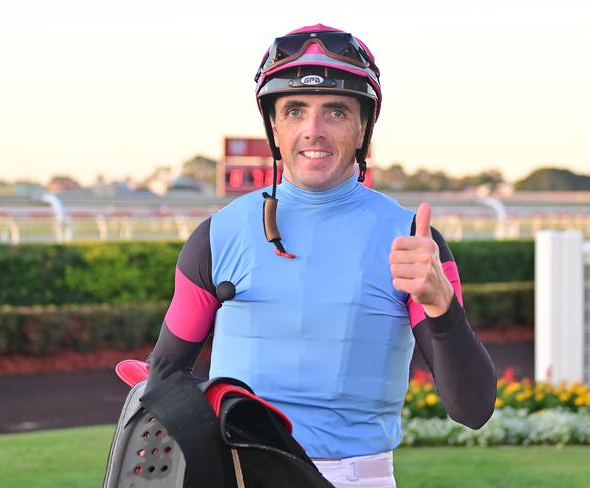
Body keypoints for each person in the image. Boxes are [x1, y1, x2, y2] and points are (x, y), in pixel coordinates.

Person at [148, 24, 496, 488]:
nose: (314, 131)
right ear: (274, 125)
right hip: (236, 474)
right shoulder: (217, 236)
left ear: (362, 129)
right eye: (295, 110)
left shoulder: (413, 239)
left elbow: (472, 409)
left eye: (336, 112)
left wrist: (442, 306)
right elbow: (164, 378)